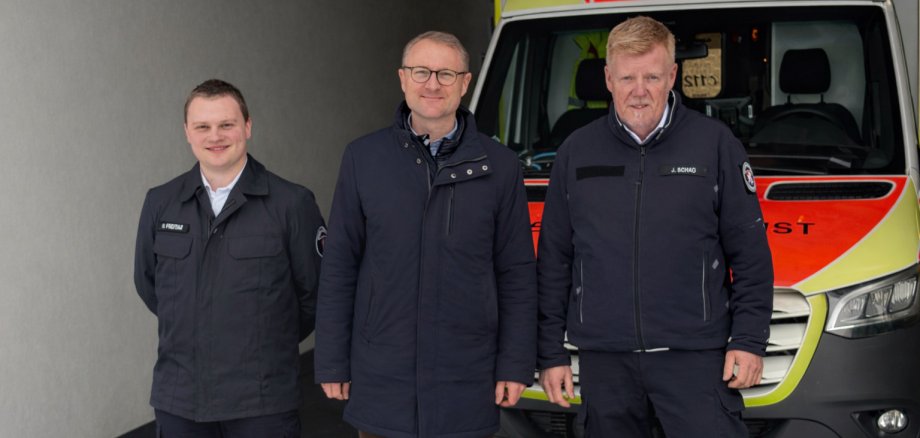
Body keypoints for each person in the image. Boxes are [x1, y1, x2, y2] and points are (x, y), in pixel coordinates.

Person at [536, 16, 774, 437]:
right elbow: (555, 259)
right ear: (608, 78)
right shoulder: (576, 152)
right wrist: (550, 352)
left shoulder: (715, 145)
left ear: (673, 76)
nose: (639, 90)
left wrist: (749, 340)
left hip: (695, 362)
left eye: (651, 76)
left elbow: (751, 257)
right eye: (627, 77)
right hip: (606, 365)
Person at [314, 31, 537, 438]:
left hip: (466, 377)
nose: (432, 84)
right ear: (402, 78)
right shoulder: (363, 159)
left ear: (465, 83)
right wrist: (331, 360)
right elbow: (340, 266)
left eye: (446, 74)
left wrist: (516, 362)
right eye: (421, 72)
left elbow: (517, 273)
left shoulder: (501, 167)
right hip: (383, 376)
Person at [134, 79, 325, 437]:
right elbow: (149, 284)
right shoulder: (160, 202)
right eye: (202, 126)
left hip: (262, 400)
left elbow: (315, 296)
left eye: (227, 124)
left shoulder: (291, 204)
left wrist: (261, 339)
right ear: (187, 132)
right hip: (180, 398)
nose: (215, 136)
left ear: (247, 127)